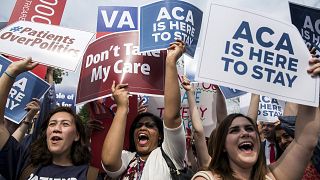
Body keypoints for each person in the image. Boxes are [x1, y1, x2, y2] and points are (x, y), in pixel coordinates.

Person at [192, 57, 320, 180]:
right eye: (234, 130)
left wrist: (310, 80)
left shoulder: (275, 176)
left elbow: (305, 140)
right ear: (223, 145)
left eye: (249, 128)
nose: (245, 133)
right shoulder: (207, 178)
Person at [0, 58, 100, 179]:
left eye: (65, 124)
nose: (56, 128)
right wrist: (11, 71)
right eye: (52, 124)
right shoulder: (24, 163)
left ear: (76, 135)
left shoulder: (90, 175)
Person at [101, 40, 186, 179]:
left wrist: (170, 61)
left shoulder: (170, 153)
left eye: (150, 126)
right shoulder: (126, 158)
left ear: (160, 135)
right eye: (138, 126)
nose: (142, 128)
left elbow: (172, 117)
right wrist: (122, 108)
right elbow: (109, 162)